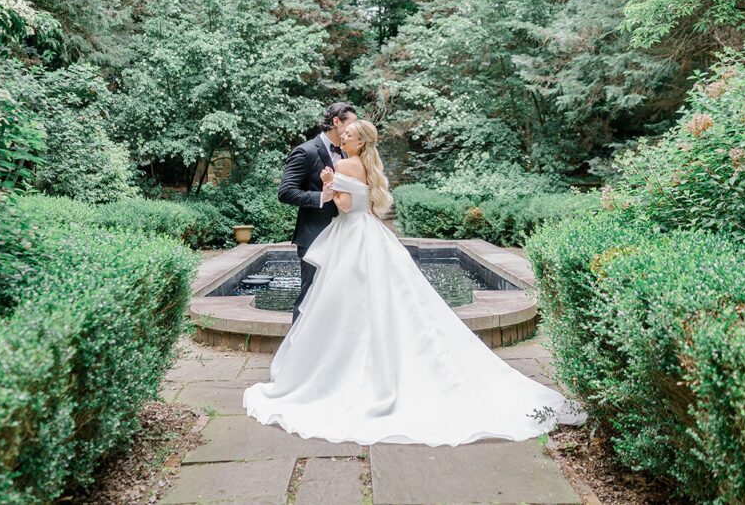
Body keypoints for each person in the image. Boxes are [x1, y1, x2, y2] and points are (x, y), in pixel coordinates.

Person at [244, 119, 587, 447]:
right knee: (387, 299)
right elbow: (369, 205)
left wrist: (329, 183)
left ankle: (344, 370)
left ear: (359, 142)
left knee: (346, 302)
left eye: (348, 134)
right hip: (371, 234)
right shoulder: (369, 166)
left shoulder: (347, 166)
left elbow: (345, 207)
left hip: (351, 235)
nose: (342, 137)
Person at [277, 102, 359, 324]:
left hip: (344, 234)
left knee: (338, 296)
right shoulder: (305, 151)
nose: (356, 127)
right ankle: (295, 353)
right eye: (352, 123)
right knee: (310, 294)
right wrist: (320, 197)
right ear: (336, 122)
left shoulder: (348, 153)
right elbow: (285, 192)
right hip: (314, 235)